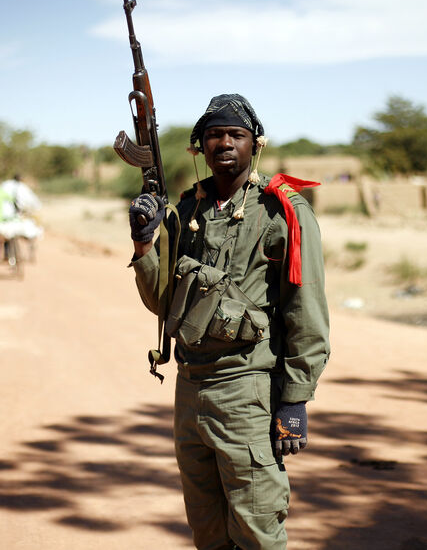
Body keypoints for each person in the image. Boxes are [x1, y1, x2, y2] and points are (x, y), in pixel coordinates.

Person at [128, 94, 330, 549]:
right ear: (199, 147)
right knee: (208, 532)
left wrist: (295, 401)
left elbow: (307, 310)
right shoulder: (185, 211)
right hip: (190, 389)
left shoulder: (283, 214)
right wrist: (144, 245)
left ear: (254, 144)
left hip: (247, 393)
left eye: (235, 135)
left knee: (257, 531)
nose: (224, 143)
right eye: (214, 135)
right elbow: (164, 302)